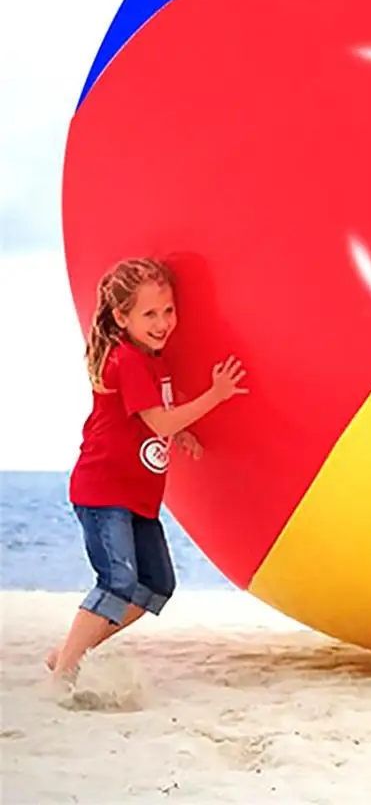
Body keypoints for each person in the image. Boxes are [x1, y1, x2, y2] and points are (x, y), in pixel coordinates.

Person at [48, 257, 248, 683]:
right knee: (117, 582)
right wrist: (216, 395)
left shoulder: (154, 360)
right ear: (122, 317)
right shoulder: (128, 359)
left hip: (137, 495)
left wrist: (183, 434)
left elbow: (154, 420)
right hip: (104, 491)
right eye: (150, 314)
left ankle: (68, 650)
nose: (163, 322)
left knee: (157, 586)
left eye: (169, 310)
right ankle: (64, 671)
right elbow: (158, 421)